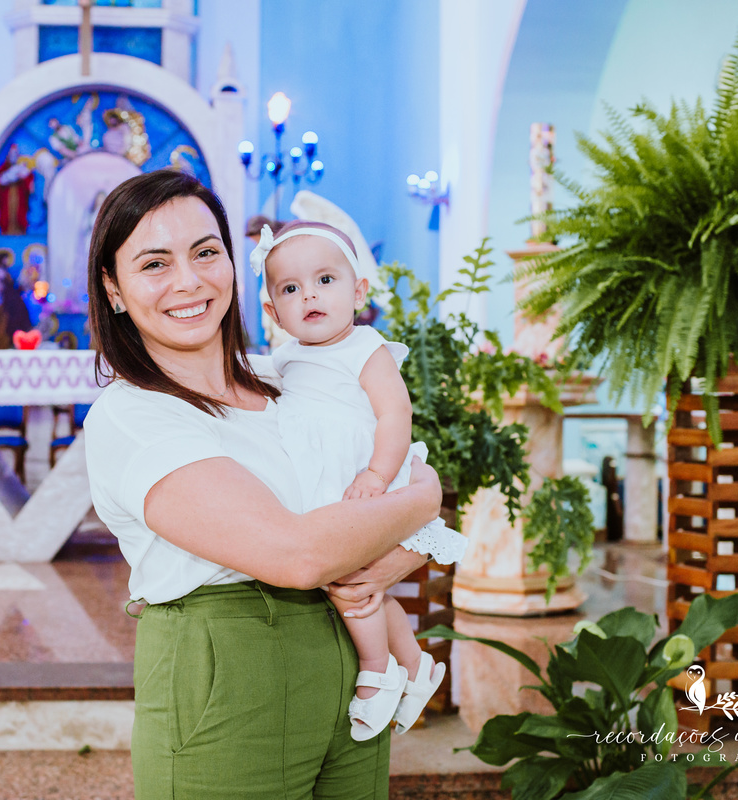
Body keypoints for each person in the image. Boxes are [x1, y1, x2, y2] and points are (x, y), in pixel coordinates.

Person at [83, 169, 442, 799]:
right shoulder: (134, 414)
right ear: (113, 288)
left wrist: (386, 561)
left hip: (351, 674)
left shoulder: (293, 382)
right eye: (154, 263)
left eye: (205, 252)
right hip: (231, 683)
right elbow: (298, 553)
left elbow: (383, 506)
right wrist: (427, 497)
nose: (189, 281)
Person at [252, 221, 467, 741]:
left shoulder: (365, 347)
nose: (310, 296)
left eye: (326, 280)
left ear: (359, 291)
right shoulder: (285, 359)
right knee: (362, 581)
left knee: (351, 585)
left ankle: (377, 671)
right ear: (272, 311)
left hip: (366, 478)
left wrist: (377, 473)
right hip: (325, 485)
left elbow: (396, 412)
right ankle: (414, 663)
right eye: (290, 289)